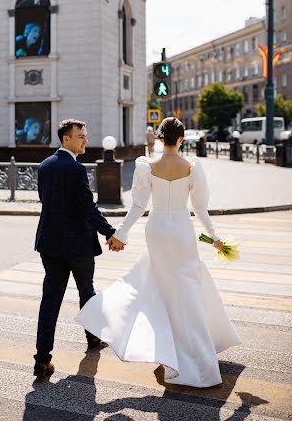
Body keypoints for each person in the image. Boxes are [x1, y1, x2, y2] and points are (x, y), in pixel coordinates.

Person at [75, 117, 241, 388]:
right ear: (182, 139)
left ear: (160, 138)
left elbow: (139, 205)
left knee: (163, 291)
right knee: (187, 291)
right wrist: (215, 238)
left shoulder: (146, 166)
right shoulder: (193, 167)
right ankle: (199, 360)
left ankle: (169, 352)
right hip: (182, 230)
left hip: (157, 232)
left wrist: (121, 233)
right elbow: (200, 209)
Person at [33, 119, 125, 379]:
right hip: (78, 246)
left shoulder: (44, 166)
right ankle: (93, 338)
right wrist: (110, 232)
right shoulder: (75, 169)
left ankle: (42, 359)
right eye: (81, 136)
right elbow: (87, 207)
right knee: (86, 291)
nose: (85, 140)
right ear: (66, 139)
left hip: (50, 244)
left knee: (50, 301)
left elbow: (47, 201)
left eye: (85, 135)